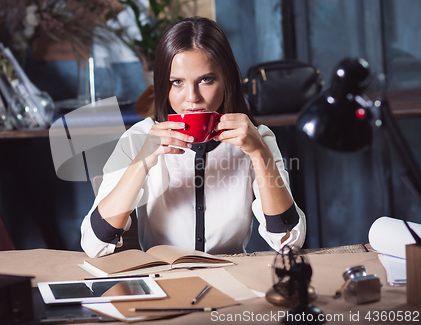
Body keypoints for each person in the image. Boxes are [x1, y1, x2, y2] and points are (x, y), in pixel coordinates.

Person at [81, 17, 306, 258]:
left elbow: (288, 241)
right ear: (163, 86)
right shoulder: (139, 138)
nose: (192, 98)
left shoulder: (257, 139)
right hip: (163, 278)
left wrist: (260, 154)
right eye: (177, 82)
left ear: (227, 80)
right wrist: (143, 162)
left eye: (206, 80)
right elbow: (95, 244)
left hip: (231, 278)